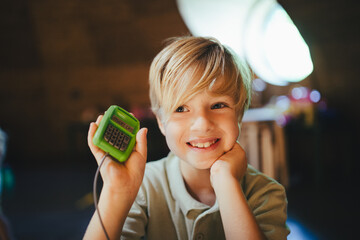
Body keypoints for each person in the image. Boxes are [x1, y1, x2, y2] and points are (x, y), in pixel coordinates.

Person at [84, 36, 289, 240]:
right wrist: (117, 192)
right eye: (181, 108)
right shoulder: (144, 186)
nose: (202, 123)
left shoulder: (265, 193)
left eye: (218, 105)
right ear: (162, 122)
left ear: (239, 114)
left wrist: (226, 181)